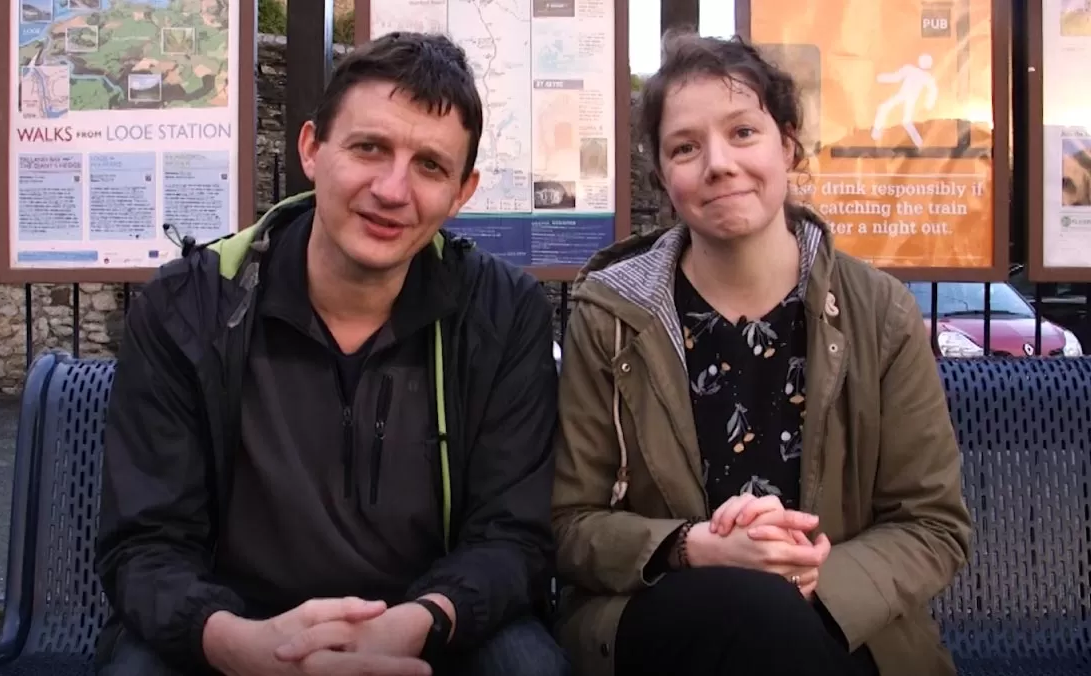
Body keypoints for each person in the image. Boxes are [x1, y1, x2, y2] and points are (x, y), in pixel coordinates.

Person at [94, 31, 568, 676]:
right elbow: (145, 544)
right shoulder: (190, 305)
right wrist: (239, 643)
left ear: (463, 191)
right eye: (369, 148)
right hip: (236, 624)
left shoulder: (502, 312)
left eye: (430, 165)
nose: (393, 189)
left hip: (427, 623)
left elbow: (512, 537)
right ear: (313, 148)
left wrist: (422, 621)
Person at [548, 31, 973, 676]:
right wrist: (693, 548)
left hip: (840, 619)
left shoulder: (880, 313)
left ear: (789, 144)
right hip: (663, 619)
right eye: (685, 147)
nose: (717, 163)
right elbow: (570, 524)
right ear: (664, 175)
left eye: (743, 132)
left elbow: (932, 524)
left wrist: (808, 574)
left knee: (775, 627)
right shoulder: (609, 318)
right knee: (750, 617)